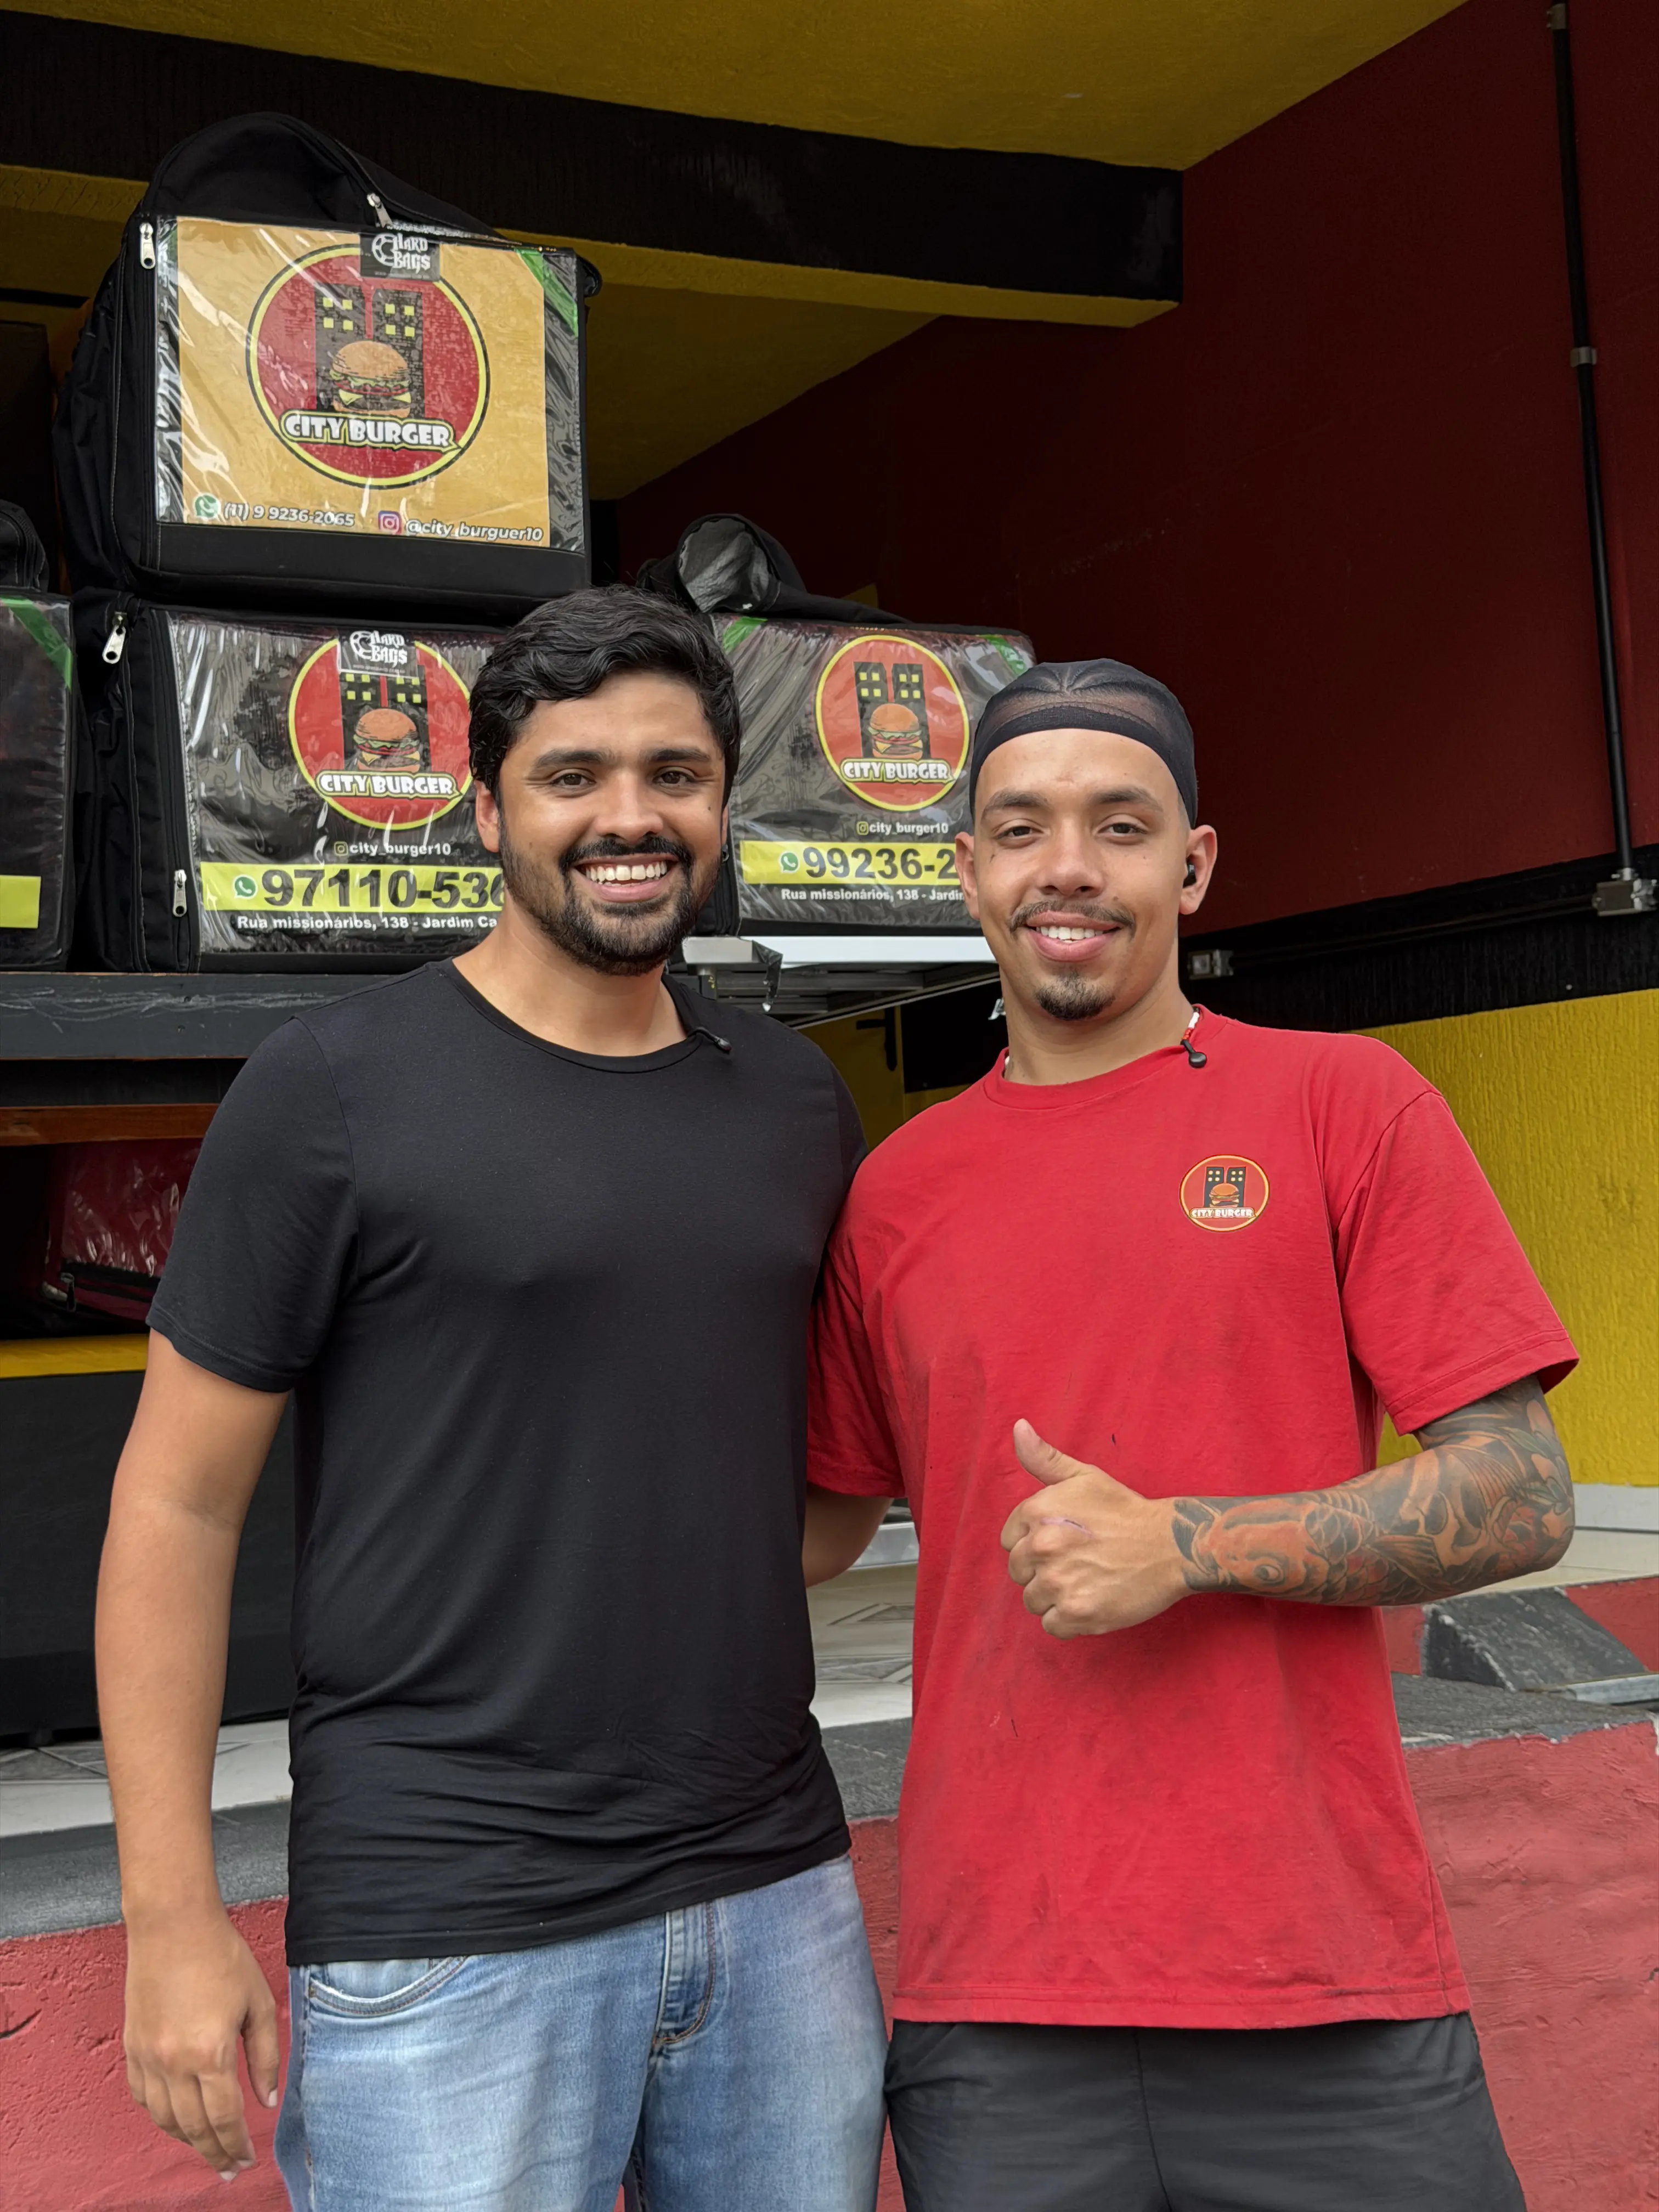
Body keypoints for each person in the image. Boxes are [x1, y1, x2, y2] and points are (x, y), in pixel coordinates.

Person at [97, 587, 888, 2211]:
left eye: (675, 774)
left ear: (724, 805)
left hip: (773, 1892)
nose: (629, 816)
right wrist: (172, 1917)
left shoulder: (797, 1101)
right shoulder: (333, 1088)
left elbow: (814, 1493)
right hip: (451, 1918)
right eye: (572, 773)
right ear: (489, 812)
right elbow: (175, 1504)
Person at [803, 658, 1577, 2212]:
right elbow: (813, 1528)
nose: (1068, 868)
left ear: (1194, 864)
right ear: (968, 874)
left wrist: (1190, 1545)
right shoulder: (895, 1191)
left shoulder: (1342, 1104)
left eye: (1120, 824)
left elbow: (1523, 1494)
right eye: (1020, 830)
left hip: (1323, 1979)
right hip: (1001, 1998)